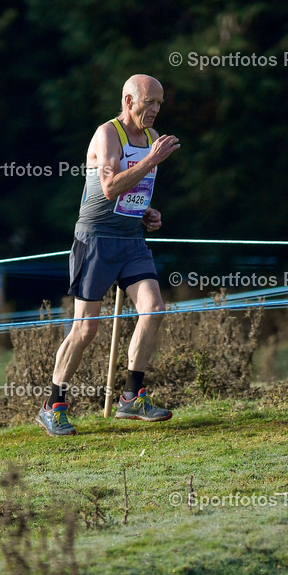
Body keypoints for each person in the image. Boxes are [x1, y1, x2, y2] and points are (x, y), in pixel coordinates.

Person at [38, 74, 181, 436]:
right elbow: (108, 187)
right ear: (129, 101)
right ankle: (52, 405)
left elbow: (132, 193)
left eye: (160, 103)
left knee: (154, 309)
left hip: (131, 241)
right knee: (86, 329)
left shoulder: (151, 139)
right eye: (150, 102)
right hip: (97, 240)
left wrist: (148, 212)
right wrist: (150, 161)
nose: (155, 109)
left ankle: (132, 396)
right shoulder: (108, 134)